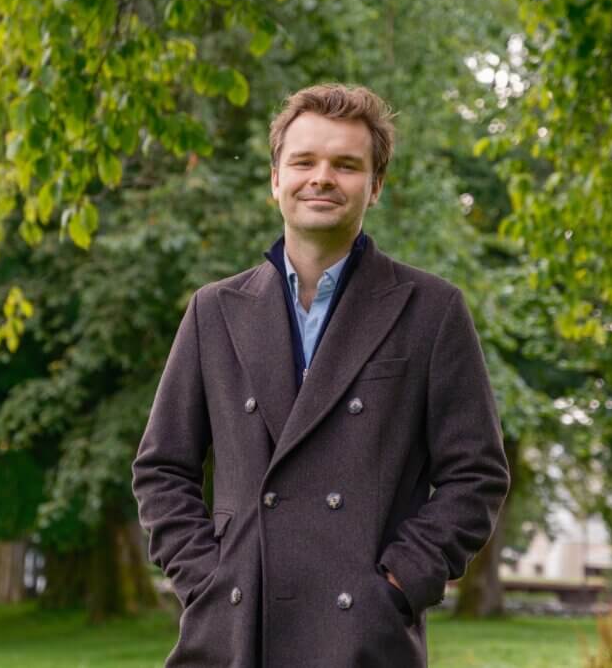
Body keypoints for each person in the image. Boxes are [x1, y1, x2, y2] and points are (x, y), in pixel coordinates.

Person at [132, 83, 510, 667]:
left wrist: (399, 583)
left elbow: (476, 476)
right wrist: (207, 580)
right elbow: (162, 469)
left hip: (361, 641)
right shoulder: (214, 311)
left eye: (346, 165)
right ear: (275, 179)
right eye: (303, 161)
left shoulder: (431, 311)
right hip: (233, 635)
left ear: (375, 186)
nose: (322, 178)